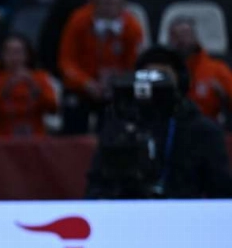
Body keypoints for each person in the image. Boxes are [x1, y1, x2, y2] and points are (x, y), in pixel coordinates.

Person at [86, 46, 232, 197]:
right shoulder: (119, 128)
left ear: (180, 83)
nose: (154, 86)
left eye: (162, 79)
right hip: (130, 208)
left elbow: (221, 193)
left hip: (183, 208)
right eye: (147, 78)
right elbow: (96, 188)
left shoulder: (203, 131)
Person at [58, 0, 145, 133]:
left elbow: (134, 66)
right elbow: (66, 61)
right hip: (82, 87)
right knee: (72, 106)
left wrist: (116, 84)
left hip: (115, 89)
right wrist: (86, 83)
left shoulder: (132, 27)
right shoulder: (78, 20)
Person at [0, 34, 60, 137]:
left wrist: (35, 88)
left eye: (18, 52)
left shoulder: (40, 77)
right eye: (9, 52)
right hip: (4, 139)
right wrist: (4, 91)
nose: (14, 57)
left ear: (27, 55)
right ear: (2, 55)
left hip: (36, 137)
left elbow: (53, 108)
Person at [166, 16, 232, 124]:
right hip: (172, 127)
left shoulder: (217, 70)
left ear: (195, 37)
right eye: (176, 36)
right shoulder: (163, 71)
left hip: (208, 128)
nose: (181, 40)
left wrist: (225, 97)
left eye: (185, 34)